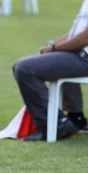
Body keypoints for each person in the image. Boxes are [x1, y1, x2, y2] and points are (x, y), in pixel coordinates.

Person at [12, 1, 88, 141]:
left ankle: (56, 124)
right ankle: (76, 118)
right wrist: (53, 45)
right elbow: (76, 33)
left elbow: (84, 38)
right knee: (22, 64)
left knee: (25, 68)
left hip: (84, 58)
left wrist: (54, 49)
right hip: (80, 55)